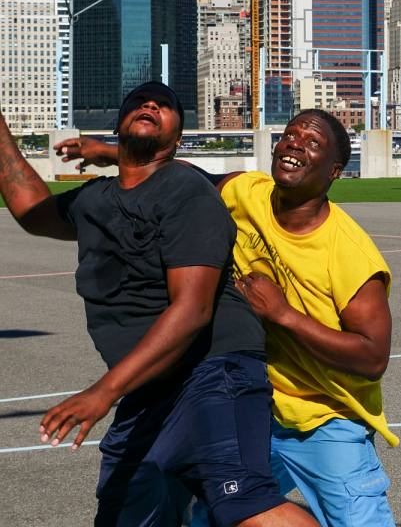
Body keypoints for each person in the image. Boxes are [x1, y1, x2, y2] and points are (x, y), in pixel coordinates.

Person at [57, 108, 397, 527]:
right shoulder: (246, 191)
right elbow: (185, 176)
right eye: (290, 135)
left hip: (325, 419)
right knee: (218, 516)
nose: (295, 144)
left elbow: (373, 357)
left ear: (335, 171)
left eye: (313, 143)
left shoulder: (352, 256)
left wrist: (285, 315)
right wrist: (114, 153)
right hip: (255, 402)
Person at [1, 82, 316, 526]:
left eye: (164, 105)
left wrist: (104, 391)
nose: (150, 104)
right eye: (138, 101)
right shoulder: (95, 199)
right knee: (125, 511)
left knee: (245, 502)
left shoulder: (184, 190)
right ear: (117, 124)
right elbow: (32, 210)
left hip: (212, 371)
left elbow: (192, 310)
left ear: (177, 139)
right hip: (150, 386)